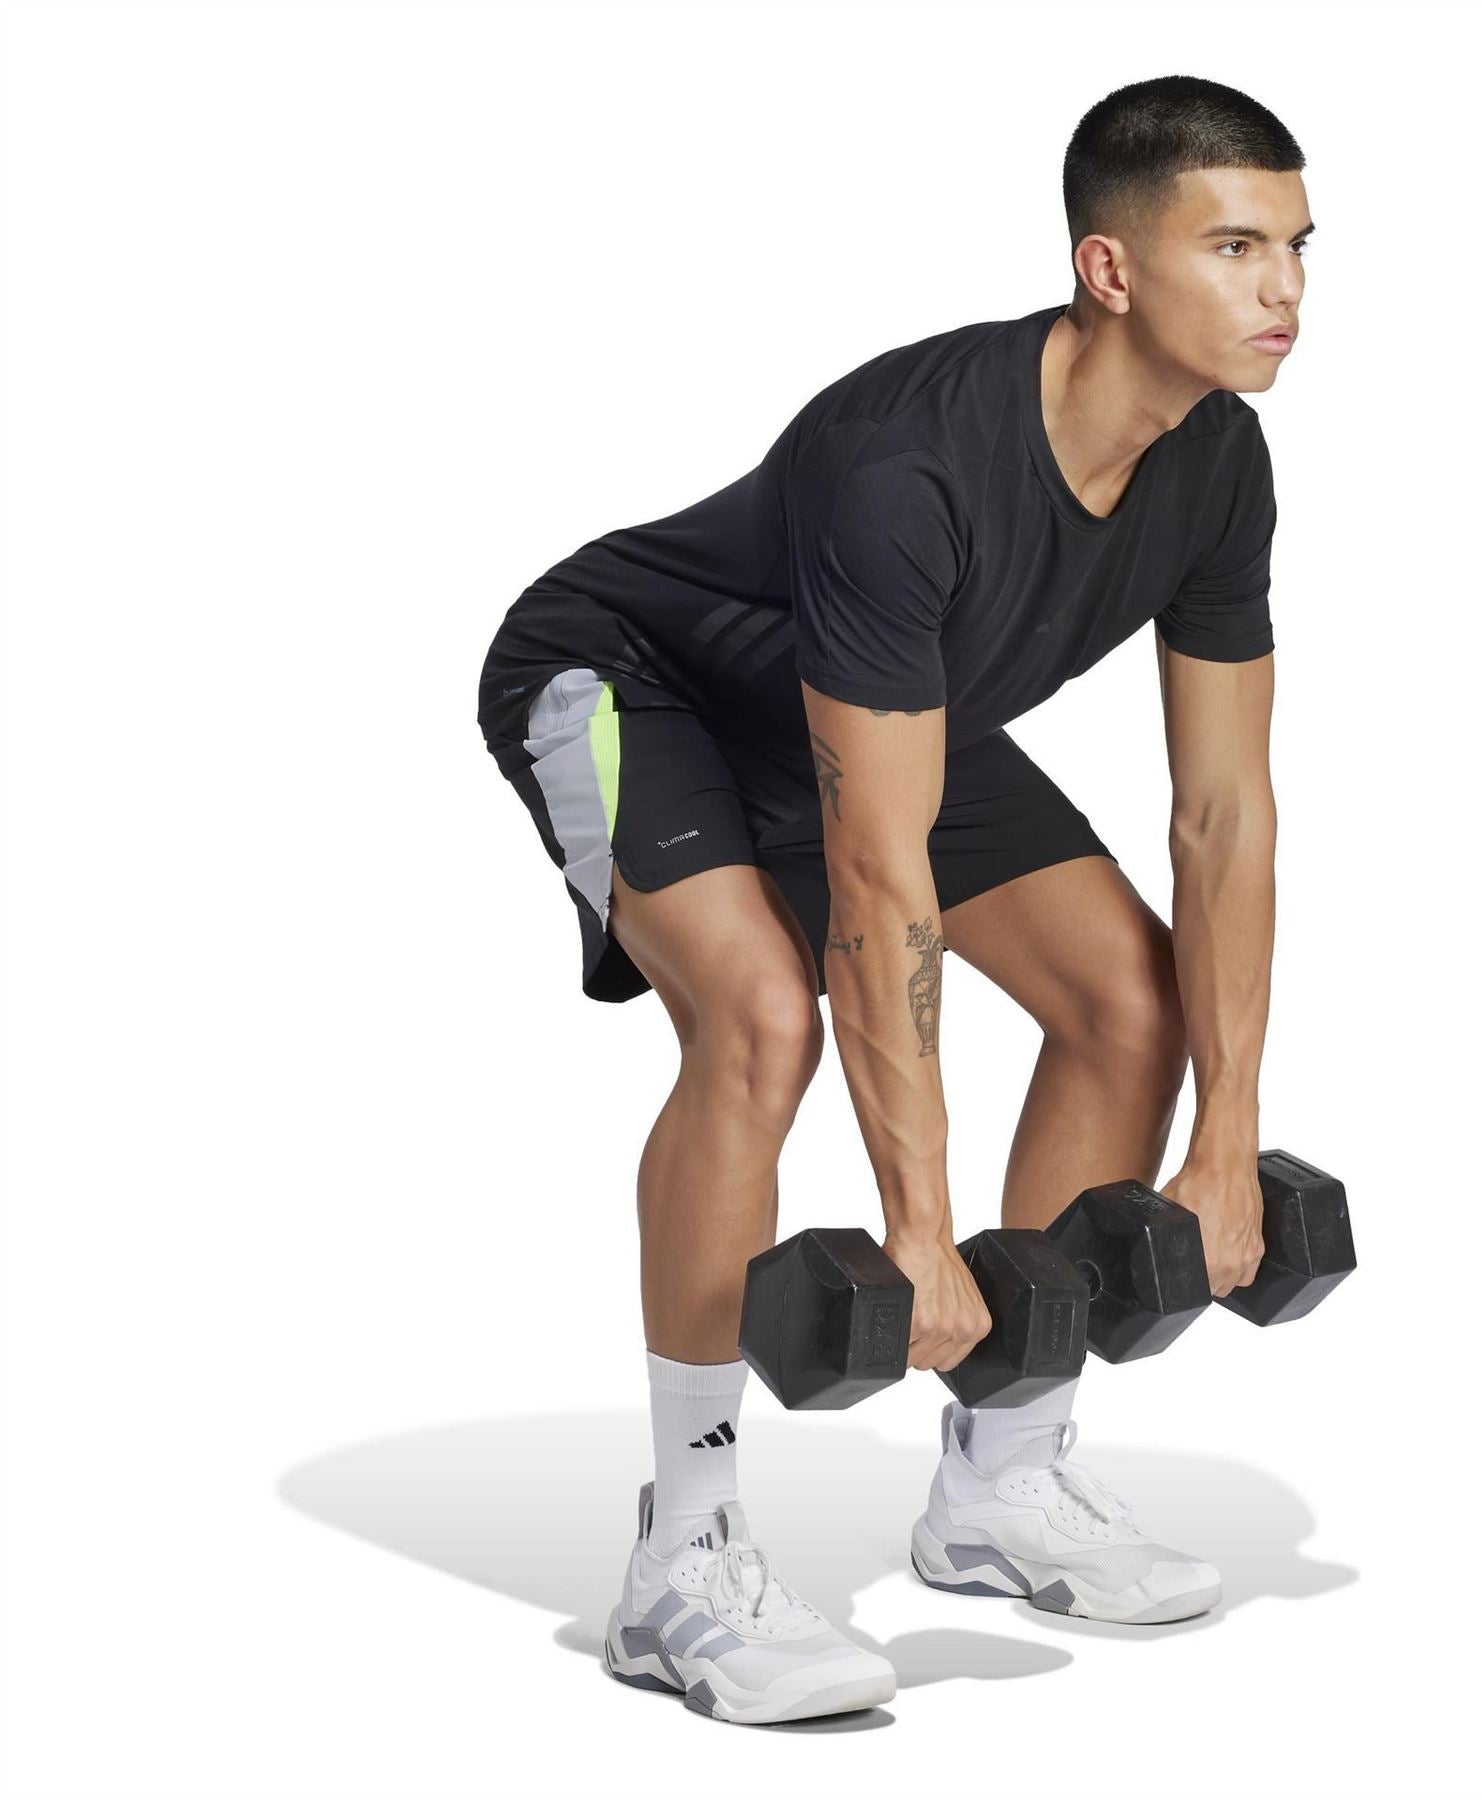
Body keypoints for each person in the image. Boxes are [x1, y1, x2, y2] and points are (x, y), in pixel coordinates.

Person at [475, 73, 1310, 1726]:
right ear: (1109, 269)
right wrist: (915, 1231)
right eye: (1235, 246)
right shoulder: (908, 463)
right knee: (758, 1022)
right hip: (644, 681)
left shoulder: (1218, 460)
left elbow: (1224, 815)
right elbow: (878, 875)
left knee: (1125, 1001)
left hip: (884, 710)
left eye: (1297, 246)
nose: (1283, 287)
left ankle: (1001, 1481)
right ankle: (683, 1555)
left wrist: (1229, 1135)